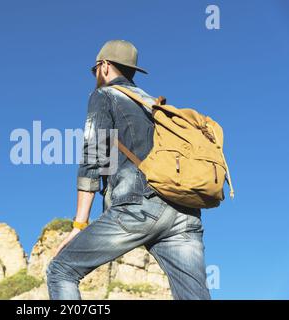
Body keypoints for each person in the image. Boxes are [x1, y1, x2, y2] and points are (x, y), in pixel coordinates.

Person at [46, 40, 211, 300]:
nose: (95, 76)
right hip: (184, 212)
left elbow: (93, 157)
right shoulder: (156, 106)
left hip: (138, 205)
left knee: (61, 270)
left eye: (95, 70)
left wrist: (79, 225)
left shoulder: (104, 96)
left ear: (105, 66)